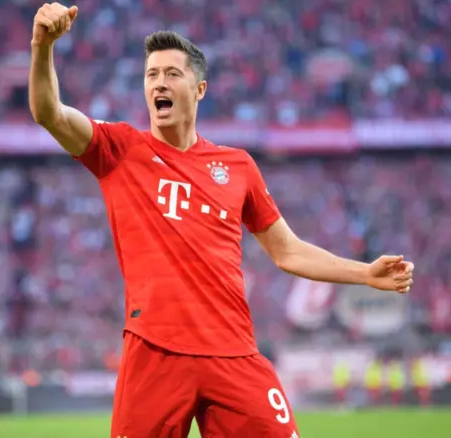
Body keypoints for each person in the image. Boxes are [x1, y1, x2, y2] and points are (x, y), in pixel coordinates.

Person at [29, 3, 415, 437]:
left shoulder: (237, 166)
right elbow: (50, 113)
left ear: (199, 89)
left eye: (172, 73)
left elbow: (287, 251)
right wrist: (43, 46)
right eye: (151, 74)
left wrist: (365, 274)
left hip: (233, 352)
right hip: (154, 352)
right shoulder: (120, 149)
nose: (159, 82)